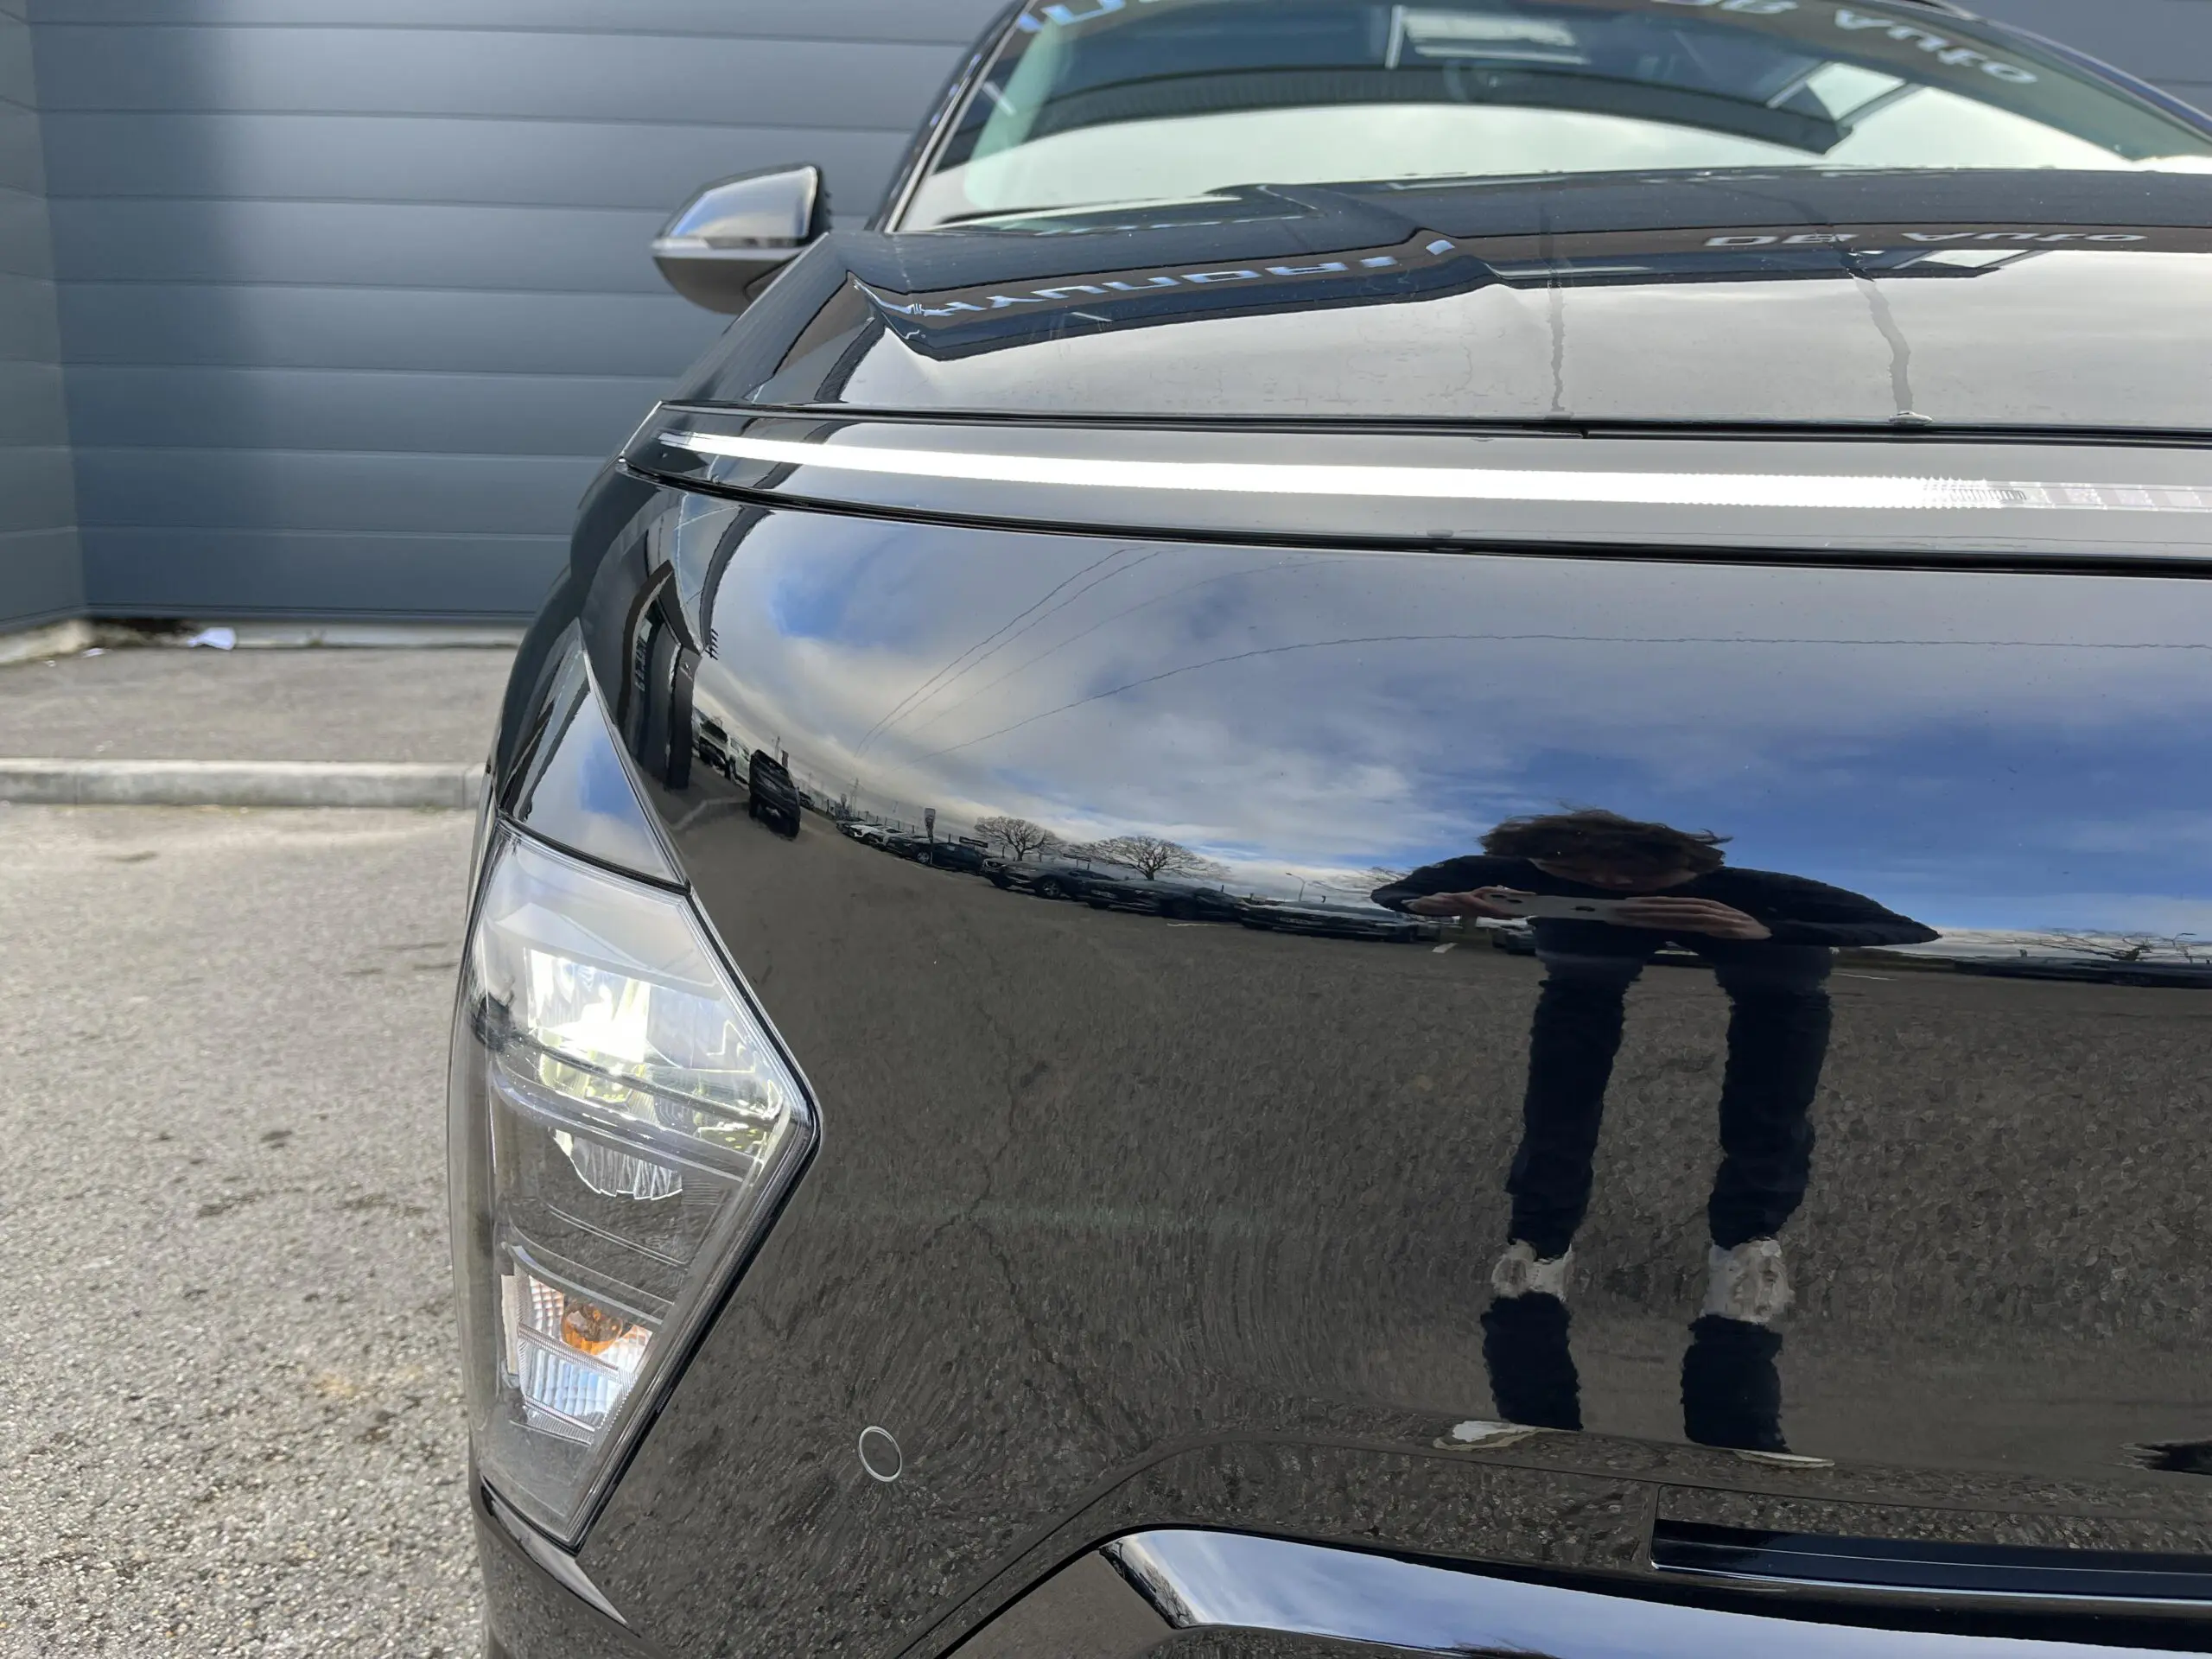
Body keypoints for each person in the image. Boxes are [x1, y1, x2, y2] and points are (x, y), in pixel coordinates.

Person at [1373, 810, 1936, 1325]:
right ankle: (1539, 1243)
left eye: (1637, 875)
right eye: (1583, 874)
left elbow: (1907, 929)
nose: (1609, 884)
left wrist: (1768, 930)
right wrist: (1428, 904)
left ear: (1688, 866)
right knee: (1558, 1100)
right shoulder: (1516, 870)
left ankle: (1748, 1243)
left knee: (1771, 1103)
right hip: (1586, 974)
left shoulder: (1753, 887)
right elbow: (1397, 891)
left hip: (1774, 984)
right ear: (1546, 861)